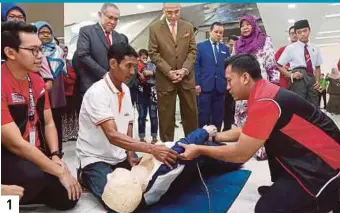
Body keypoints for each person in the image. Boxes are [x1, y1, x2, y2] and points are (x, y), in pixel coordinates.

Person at [179, 54, 340, 213]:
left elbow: (240, 154)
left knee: (266, 209)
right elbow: (249, 130)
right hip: (311, 156)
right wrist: (214, 136)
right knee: (276, 190)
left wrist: (200, 149)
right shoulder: (264, 92)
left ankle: (327, 198)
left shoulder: (266, 102)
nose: (227, 87)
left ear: (245, 78)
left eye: (229, 80)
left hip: (326, 166)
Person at [76, 42, 178, 210]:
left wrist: (130, 153)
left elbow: (128, 123)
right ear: (113, 64)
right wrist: (151, 149)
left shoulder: (125, 89)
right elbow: (113, 135)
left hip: (120, 155)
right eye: (128, 66)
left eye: (134, 66)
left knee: (153, 181)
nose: (132, 72)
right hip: (95, 159)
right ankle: (86, 176)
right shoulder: (97, 92)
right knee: (122, 201)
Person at [1, 21, 81, 210]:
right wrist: (59, 172)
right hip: (7, 153)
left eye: (41, 50)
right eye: (34, 50)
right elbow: (15, 144)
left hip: (33, 150)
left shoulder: (36, 80)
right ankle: (6, 204)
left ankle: (26, 193)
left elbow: (49, 123)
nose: (40, 56)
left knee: (68, 198)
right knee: (32, 177)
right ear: (10, 52)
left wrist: (55, 157)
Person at [148, 3, 198, 142]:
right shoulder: (154, 28)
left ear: (180, 10)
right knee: (165, 118)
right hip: (165, 79)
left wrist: (184, 70)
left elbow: (193, 51)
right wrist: (168, 71)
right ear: (164, 11)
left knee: (191, 116)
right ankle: (166, 151)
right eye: (169, 12)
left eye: (176, 12)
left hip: (186, 78)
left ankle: (193, 147)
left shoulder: (188, 26)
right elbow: (153, 52)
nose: (173, 16)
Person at [233, 15, 280, 160]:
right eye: (242, 25)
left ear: (254, 25)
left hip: (260, 84)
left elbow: (271, 64)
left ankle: (262, 149)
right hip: (242, 85)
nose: (245, 28)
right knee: (243, 116)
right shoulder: (237, 45)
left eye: (248, 24)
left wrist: (275, 85)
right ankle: (247, 146)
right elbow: (232, 66)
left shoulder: (264, 41)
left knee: (260, 116)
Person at [75, 3, 129, 97]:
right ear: (100, 15)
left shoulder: (120, 38)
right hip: (92, 85)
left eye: (116, 19)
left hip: (114, 87)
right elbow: (83, 55)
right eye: (110, 17)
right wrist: (105, 75)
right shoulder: (87, 31)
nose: (112, 22)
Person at [1, 3, 54, 91]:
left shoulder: (37, 83)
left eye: (20, 17)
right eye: (12, 16)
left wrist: (48, 80)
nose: (16, 19)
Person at [34, 21, 67, 153]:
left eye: (48, 32)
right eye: (42, 32)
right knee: (41, 120)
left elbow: (63, 70)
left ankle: (57, 151)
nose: (46, 35)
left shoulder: (58, 50)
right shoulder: (34, 51)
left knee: (56, 120)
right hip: (40, 88)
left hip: (57, 90)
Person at [277, 19, 323, 107]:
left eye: (305, 31)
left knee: (315, 104)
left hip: (311, 76)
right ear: (296, 34)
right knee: (299, 105)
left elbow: (317, 66)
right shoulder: (290, 48)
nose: (302, 34)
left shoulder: (315, 48)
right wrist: (290, 75)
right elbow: (279, 65)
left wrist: (318, 80)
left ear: (309, 30)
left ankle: (313, 121)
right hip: (298, 77)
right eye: (299, 32)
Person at [194, 22, 230, 131]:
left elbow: (227, 68)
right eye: (216, 32)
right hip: (205, 87)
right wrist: (197, 83)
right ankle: (201, 139)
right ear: (210, 32)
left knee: (218, 115)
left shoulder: (225, 49)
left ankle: (216, 139)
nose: (218, 34)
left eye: (221, 33)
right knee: (203, 115)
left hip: (220, 87)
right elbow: (196, 66)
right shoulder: (200, 47)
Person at [136, 49, 158, 143]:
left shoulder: (153, 64)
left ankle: (154, 137)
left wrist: (152, 73)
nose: (145, 58)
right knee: (141, 115)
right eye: (142, 57)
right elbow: (140, 74)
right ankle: (141, 137)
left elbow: (161, 73)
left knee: (153, 116)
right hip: (141, 92)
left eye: (146, 56)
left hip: (152, 92)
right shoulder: (138, 65)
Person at [61, 45, 79, 141]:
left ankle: (72, 134)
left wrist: (68, 76)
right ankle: (64, 134)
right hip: (62, 94)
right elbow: (63, 80)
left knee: (72, 114)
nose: (65, 52)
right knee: (63, 115)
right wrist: (68, 77)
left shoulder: (69, 62)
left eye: (66, 50)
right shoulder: (58, 62)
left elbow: (74, 77)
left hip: (72, 93)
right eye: (63, 50)